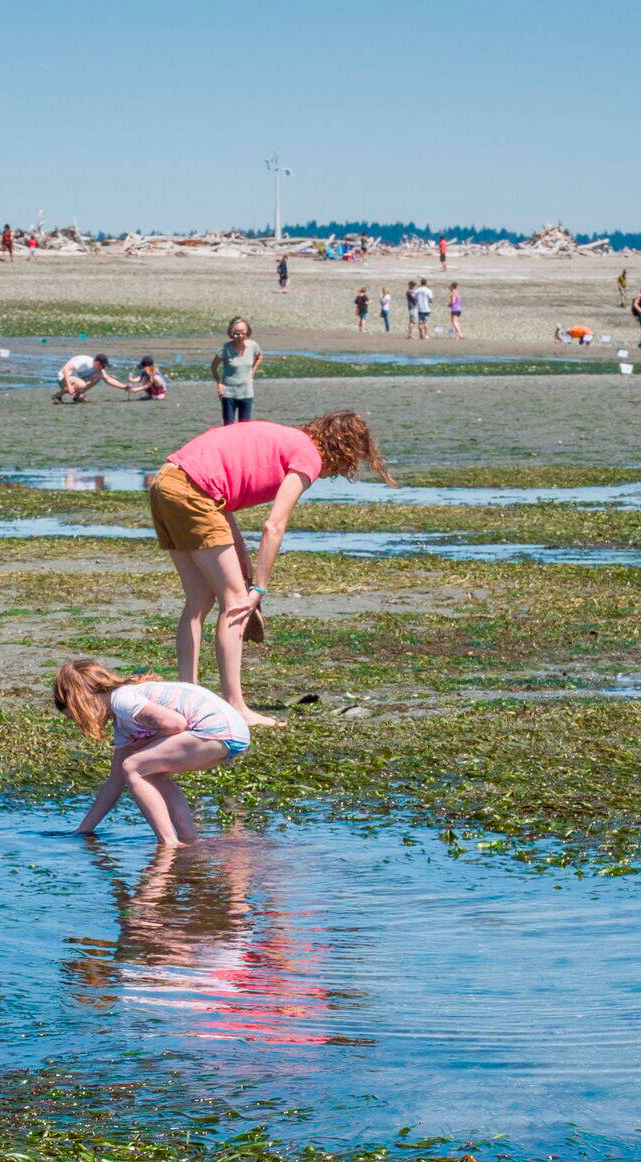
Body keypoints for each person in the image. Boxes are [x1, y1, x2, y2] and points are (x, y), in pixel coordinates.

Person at [146, 412, 392, 728]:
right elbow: (274, 525)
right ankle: (236, 706)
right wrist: (259, 588)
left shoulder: (288, 439)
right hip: (192, 493)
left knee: (198, 601)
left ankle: (187, 699)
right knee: (236, 602)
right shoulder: (308, 457)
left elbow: (219, 493)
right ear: (342, 450)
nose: (338, 473)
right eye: (347, 463)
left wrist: (241, 556)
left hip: (166, 481)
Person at [55, 660, 251, 847]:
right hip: (232, 734)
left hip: (216, 729)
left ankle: (168, 843)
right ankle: (189, 839)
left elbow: (176, 724)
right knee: (151, 772)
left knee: (133, 766)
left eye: (77, 716)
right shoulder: (123, 724)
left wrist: (144, 743)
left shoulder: (123, 700)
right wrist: (84, 830)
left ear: (83, 699)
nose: (80, 724)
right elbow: (115, 781)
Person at [211, 318, 263, 425]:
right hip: (229, 393)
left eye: (243, 332)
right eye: (237, 333)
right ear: (232, 333)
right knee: (228, 426)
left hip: (246, 392)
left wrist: (252, 374)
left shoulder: (253, 346)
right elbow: (213, 367)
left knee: (244, 426)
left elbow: (260, 356)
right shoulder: (225, 349)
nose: (240, 336)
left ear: (247, 331)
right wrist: (219, 383)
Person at [55, 353, 129, 403]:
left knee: (99, 375)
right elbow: (65, 369)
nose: (103, 368)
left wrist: (125, 387)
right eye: (103, 366)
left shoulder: (98, 369)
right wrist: (68, 386)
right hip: (63, 378)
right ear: (97, 363)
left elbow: (108, 379)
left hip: (76, 379)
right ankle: (58, 395)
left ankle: (77, 396)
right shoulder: (84, 361)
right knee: (81, 384)